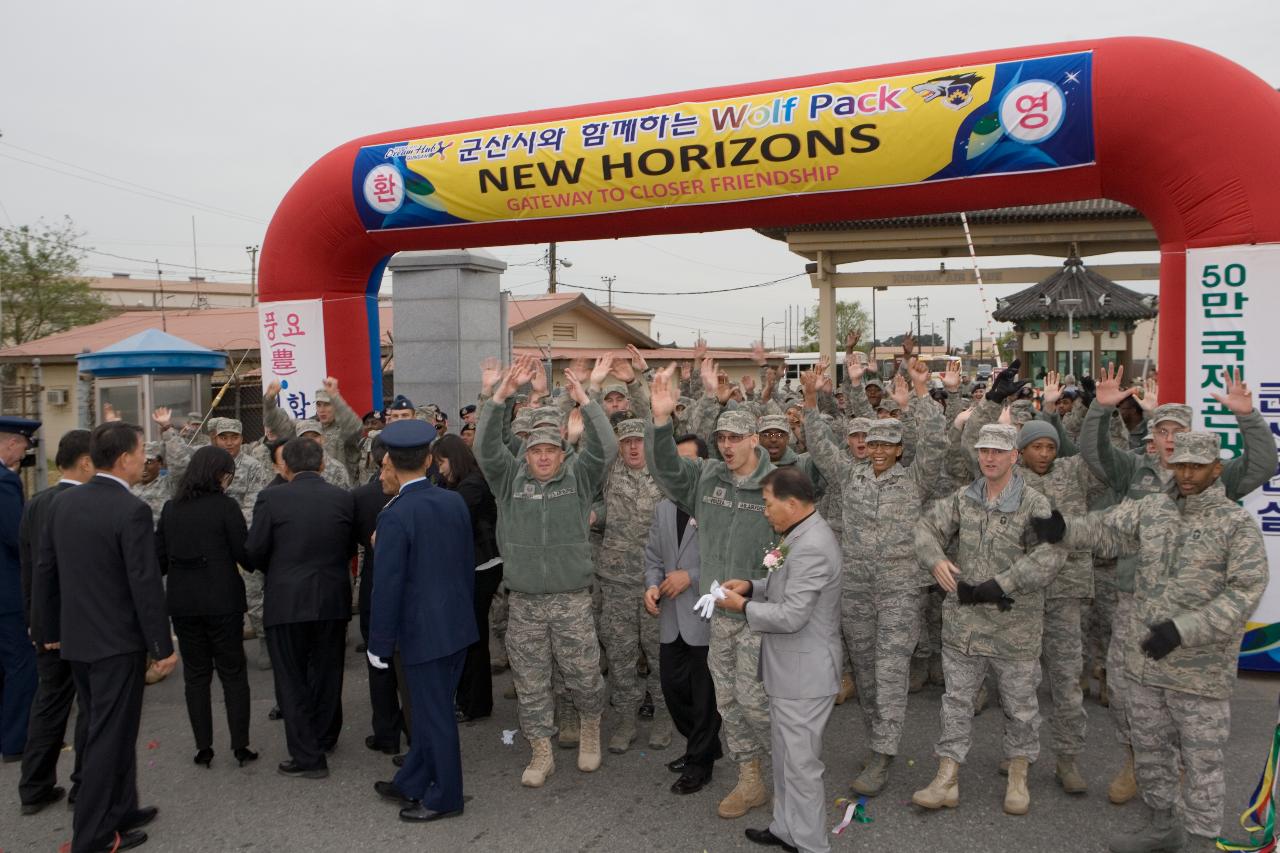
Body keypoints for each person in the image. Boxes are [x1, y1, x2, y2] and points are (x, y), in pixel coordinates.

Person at [1034, 432, 1269, 852]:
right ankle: (1164, 826)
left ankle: (1200, 840)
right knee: (1150, 750)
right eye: (1181, 465)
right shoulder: (1154, 509)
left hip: (1200, 669)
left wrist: (1183, 629)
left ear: (1217, 468)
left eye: (1198, 466)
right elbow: (1106, 529)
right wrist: (1064, 529)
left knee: (1201, 763)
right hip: (1148, 665)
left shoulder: (1234, 523)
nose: (1188, 475)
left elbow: (1245, 591)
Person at [1078, 364, 1275, 803]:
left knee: (1189, 704)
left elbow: (1264, 463)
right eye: (1162, 429)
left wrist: (1248, 416)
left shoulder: (1215, 479)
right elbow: (1094, 455)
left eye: (1177, 431)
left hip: (1195, 614)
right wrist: (1100, 409)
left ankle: (1185, 773)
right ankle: (1136, 761)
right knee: (1129, 694)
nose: (1168, 439)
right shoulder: (1136, 472)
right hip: (1136, 604)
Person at [801, 358, 946, 797]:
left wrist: (921, 393)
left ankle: (883, 754)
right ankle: (875, 740)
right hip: (857, 591)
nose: (878, 450)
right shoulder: (850, 475)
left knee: (889, 670)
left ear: (900, 449)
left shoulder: (915, 480)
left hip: (901, 590)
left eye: (887, 444)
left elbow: (937, 444)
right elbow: (820, 445)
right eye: (872, 443)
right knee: (864, 672)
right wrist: (809, 401)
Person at [32, 421, 178, 853]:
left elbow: (45, 571)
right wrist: (162, 646)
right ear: (123, 459)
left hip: (78, 639)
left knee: (108, 728)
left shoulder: (62, 504)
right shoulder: (129, 510)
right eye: (139, 452)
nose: (144, 459)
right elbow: (144, 582)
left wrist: (48, 631)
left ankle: (122, 807)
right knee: (106, 736)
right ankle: (93, 834)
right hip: (117, 643)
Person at [474, 355, 617, 788]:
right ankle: (541, 751)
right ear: (526, 453)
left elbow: (605, 448)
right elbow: (484, 448)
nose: (541, 457)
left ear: (561, 451)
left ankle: (590, 728)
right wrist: (500, 395)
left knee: (584, 675)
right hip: (526, 603)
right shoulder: (509, 481)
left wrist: (585, 400)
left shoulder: (579, 477)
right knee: (531, 681)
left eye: (549, 449)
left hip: (572, 599)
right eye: (534, 449)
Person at [913, 423, 1065, 817]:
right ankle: (947, 776)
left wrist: (1005, 582)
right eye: (984, 451)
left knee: (1020, 705)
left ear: (1014, 456)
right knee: (956, 701)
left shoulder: (1036, 504)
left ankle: (1018, 773)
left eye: (999, 451)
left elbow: (1052, 554)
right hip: (965, 625)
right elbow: (926, 527)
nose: (990, 458)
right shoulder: (964, 498)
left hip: (1014, 627)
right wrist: (935, 560)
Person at [646, 361, 776, 820]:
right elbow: (665, 470)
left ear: (755, 437)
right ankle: (750, 777)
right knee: (730, 702)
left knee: (760, 703)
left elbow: (797, 547)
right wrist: (661, 420)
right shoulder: (707, 478)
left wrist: (768, 589)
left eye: (736, 437)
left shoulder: (776, 484)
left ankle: (789, 768)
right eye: (722, 438)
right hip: (721, 617)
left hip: (763, 614)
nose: (727, 445)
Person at [716, 466, 843, 853]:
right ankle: (787, 829)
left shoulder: (812, 545)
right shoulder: (797, 534)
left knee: (801, 766)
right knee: (786, 758)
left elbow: (791, 616)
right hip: (790, 671)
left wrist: (744, 606)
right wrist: (753, 585)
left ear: (792, 503)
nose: (765, 511)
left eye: (768, 504)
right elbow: (785, 584)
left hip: (804, 675)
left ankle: (812, 845)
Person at [369, 419, 478, 822]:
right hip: (456, 625)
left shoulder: (394, 516)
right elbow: (465, 566)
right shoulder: (452, 502)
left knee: (434, 717)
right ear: (430, 460)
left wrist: (379, 645)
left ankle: (446, 796)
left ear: (391, 465)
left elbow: (388, 588)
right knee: (435, 709)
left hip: (423, 634)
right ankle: (412, 781)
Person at [246, 437, 357, 779]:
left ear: (285, 466)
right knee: (328, 671)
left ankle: (307, 755)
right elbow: (349, 545)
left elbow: (254, 551)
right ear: (323, 464)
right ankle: (325, 736)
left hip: (286, 599)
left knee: (291, 678)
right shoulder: (342, 498)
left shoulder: (271, 497)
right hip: (332, 597)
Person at [155, 446, 258, 769]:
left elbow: (158, 560)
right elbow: (245, 555)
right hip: (223, 601)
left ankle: (204, 747)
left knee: (196, 676)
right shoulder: (226, 507)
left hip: (183, 602)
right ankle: (240, 746)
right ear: (218, 474)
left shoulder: (171, 509)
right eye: (227, 474)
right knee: (233, 673)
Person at [17, 429, 92, 815]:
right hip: (81, 624)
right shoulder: (83, 503)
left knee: (48, 705)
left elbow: (29, 569)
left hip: (45, 625)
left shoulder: (37, 503)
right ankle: (84, 786)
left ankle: (34, 787)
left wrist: (38, 623)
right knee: (91, 706)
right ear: (85, 462)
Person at [644, 433, 722, 796]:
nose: (680, 470)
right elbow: (653, 557)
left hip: (704, 616)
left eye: (688, 462)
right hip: (671, 618)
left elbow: (731, 563)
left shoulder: (716, 506)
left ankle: (699, 761)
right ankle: (701, 745)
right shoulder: (662, 507)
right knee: (674, 690)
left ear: (703, 466)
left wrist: (690, 577)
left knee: (704, 695)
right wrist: (651, 584)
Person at [595, 417, 671, 753]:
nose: (634, 447)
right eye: (627, 442)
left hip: (657, 584)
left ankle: (665, 718)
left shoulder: (664, 475)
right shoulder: (609, 472)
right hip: (615, 583)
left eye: (639, 440)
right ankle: (626, 719)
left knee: (660, 655)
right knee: (621, 655)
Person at [432, 433, 503, 723]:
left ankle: (475, 703)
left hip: (481, 567)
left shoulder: (472, 485)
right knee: (470, 635)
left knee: (472, 636)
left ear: (455, 458)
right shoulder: (458, 484)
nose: (440, 469)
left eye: (442, 462)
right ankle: (471, 699)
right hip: (472, 566)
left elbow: (448, 515)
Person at [353, 437, 404, 755]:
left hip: (376, 585)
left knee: (380, 662)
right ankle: (412, 729)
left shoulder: (360, 497)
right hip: (409, 592)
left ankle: (386, 733)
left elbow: (355, 539)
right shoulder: (431, 495)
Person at [1, 416, 40, 765]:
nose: (25, 452)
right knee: (21, 663)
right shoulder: (4, 482)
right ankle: (16, 740)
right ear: (11, 443)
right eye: (25, 445)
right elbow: (18, 537)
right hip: (8, 590)